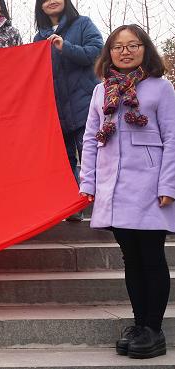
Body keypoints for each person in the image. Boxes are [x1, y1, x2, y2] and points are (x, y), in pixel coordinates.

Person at [79, 25, 175, 360]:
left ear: (145, 49)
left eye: (133, 45)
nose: (125, 51)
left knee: (152, 257)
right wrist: (88, 182)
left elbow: (172, 138)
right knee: (131, 258)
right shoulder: (100, 90)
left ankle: (154, 329)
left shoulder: (161, 88)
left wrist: (168, 185)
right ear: (109, 53)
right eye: (118, 46)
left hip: (150, 187)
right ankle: (139, 325)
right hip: (114, 186)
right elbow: (90, 138)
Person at [33, 0, 103, 222]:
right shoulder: (39, 37)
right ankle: (74, 205)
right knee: (65, 160)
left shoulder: (82, 23)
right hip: (56, 107)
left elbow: (97, 53)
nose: (51, 1)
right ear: (40, 6)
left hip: (84, 103)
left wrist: (66, 47)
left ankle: (101, 203)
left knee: (90, 154)